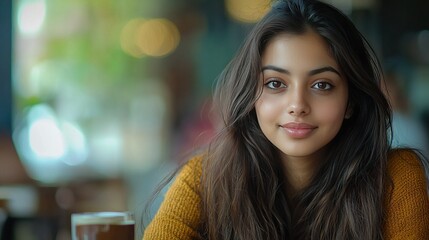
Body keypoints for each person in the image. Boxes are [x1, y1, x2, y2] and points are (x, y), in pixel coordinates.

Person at [143, 0, 429, 239]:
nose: (297, 106)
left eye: (321, 85)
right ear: (251, 94)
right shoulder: (202, 179)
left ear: (351, 101)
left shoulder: (395, 177)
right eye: (276, 84)